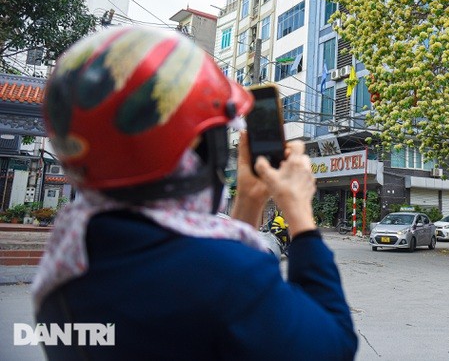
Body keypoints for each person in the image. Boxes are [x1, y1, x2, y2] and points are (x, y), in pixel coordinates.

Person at [32, 26, 358, 360]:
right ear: (198, 149)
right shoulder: (226, 278)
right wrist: (299, 212)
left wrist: (248, 199)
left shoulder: (68, 260)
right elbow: (333, 345)